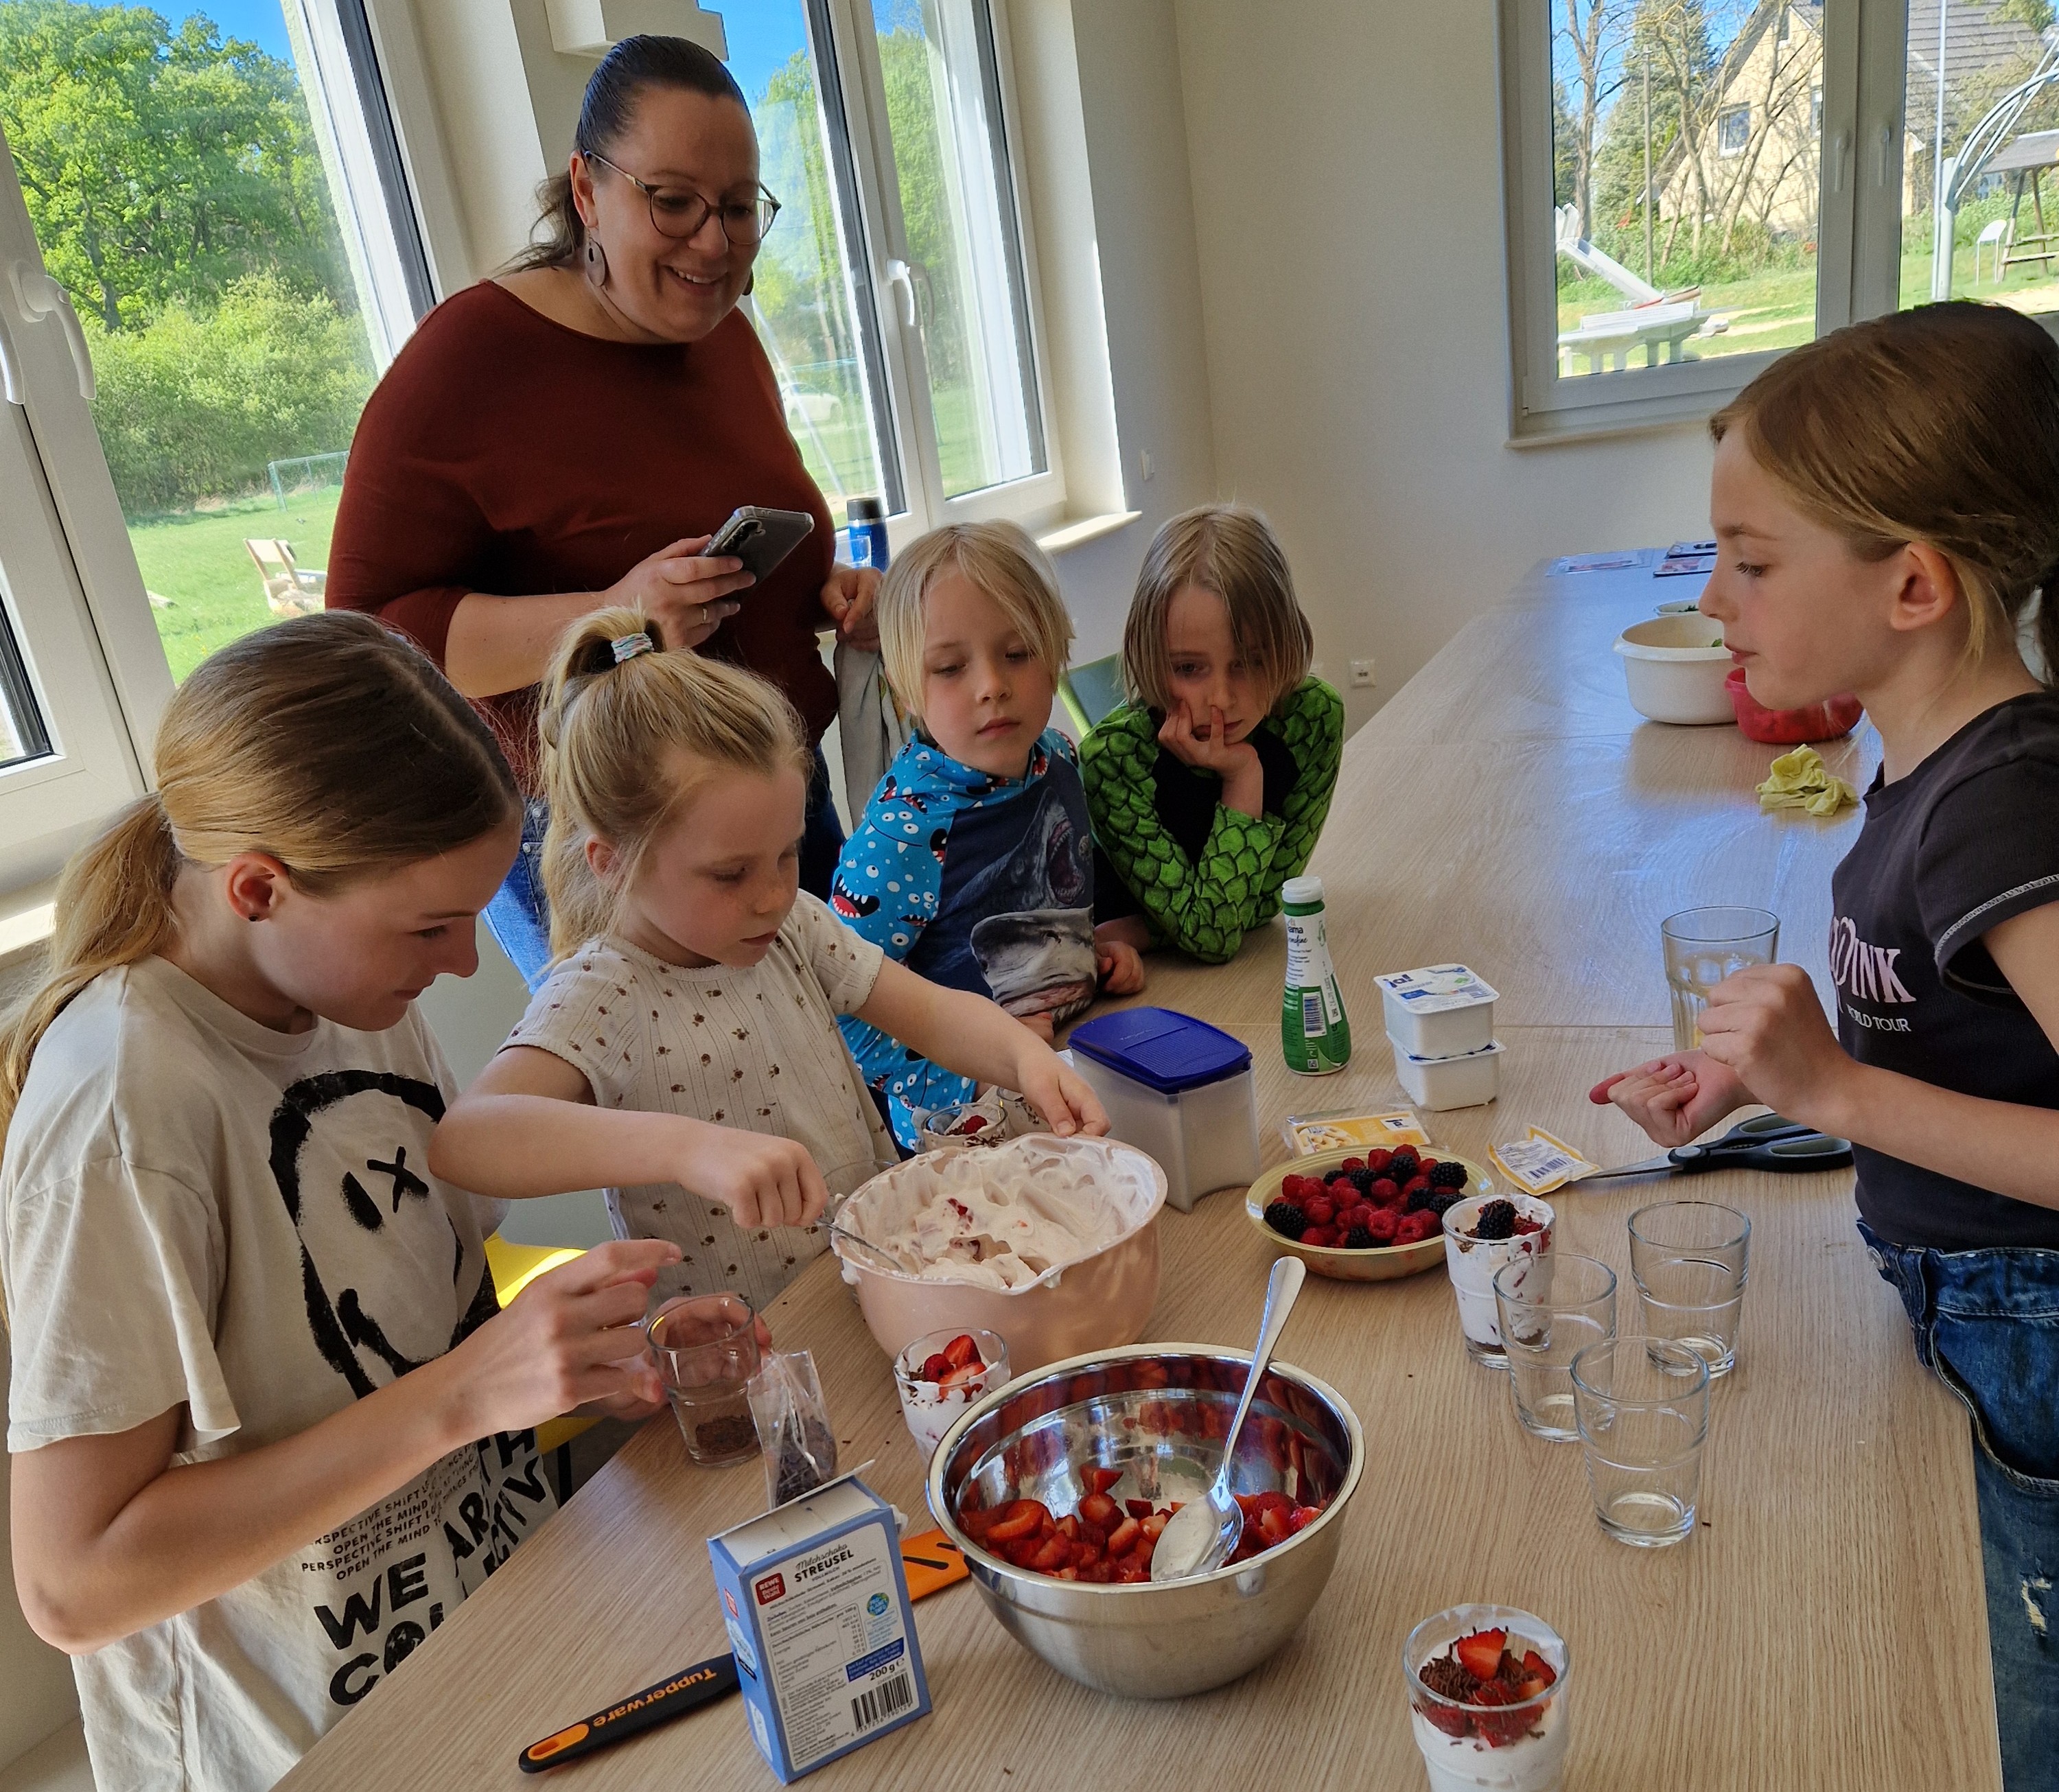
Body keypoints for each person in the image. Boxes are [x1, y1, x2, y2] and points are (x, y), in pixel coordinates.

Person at [0, 614, 685, 1792]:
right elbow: (76, 1581)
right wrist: (465, 1395)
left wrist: (591, 1351)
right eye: (431, 926)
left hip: (483, 1641)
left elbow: (431, 1316)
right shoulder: (121, 1110)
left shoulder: (345, 990)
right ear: (260, 886)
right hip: (303, 1745)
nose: (469, 964)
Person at [1590, 303, 2059, 1792]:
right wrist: (1762, 1071)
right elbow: (1963, 1011)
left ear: (1913, 583)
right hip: (1969, 1315)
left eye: (1753, 558)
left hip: (2032, 1340)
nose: (1716, 594)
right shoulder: (1923, 755)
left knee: (2009, 1721)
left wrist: (1840, 1090)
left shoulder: (2006, 804)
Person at [326, 34, 879, 990]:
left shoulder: (724, 332)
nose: (714, 242)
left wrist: (820, 589)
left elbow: (723, 525)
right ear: (587, 190)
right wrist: (615, 616)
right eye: (672, 202)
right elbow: (372, 635)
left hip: (773, 790)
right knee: (683, 1117)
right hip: (609, 839)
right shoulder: (469, 359)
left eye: (741, 208)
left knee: (836, 1078)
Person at [429, 611, 1108, 1313]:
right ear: (611, 862)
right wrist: (687, 1149)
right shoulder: (605, 992)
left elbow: (930, 1012)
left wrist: (1026, 1063)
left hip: (869, 1284)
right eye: (729, 874)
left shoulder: (794, 926)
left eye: (786, 854)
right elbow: (469, 1141)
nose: (773, 895)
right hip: (751, 1349)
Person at [829, 523, 1146, 1148]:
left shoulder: (1059, 759)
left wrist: (1089, 957)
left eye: (1019, 653)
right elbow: (845, 1008)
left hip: (1077, 1069)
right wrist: (966, 1080)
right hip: (966, 1129)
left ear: (1057, 653)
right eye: (950, 667)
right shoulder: (902, 836)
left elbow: (1061, 892)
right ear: (903, 690)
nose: (991, 685)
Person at [1082, 504, 1345, 965]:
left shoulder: (1313, 719)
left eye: (1249, 662)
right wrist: (1244, 778)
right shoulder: (1113, 758)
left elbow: (1263, 905)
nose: (1221, 698)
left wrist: (1150, 928)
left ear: (1287, 641)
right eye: (1188, 668)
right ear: (1148, 652)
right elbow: (1215, 937)